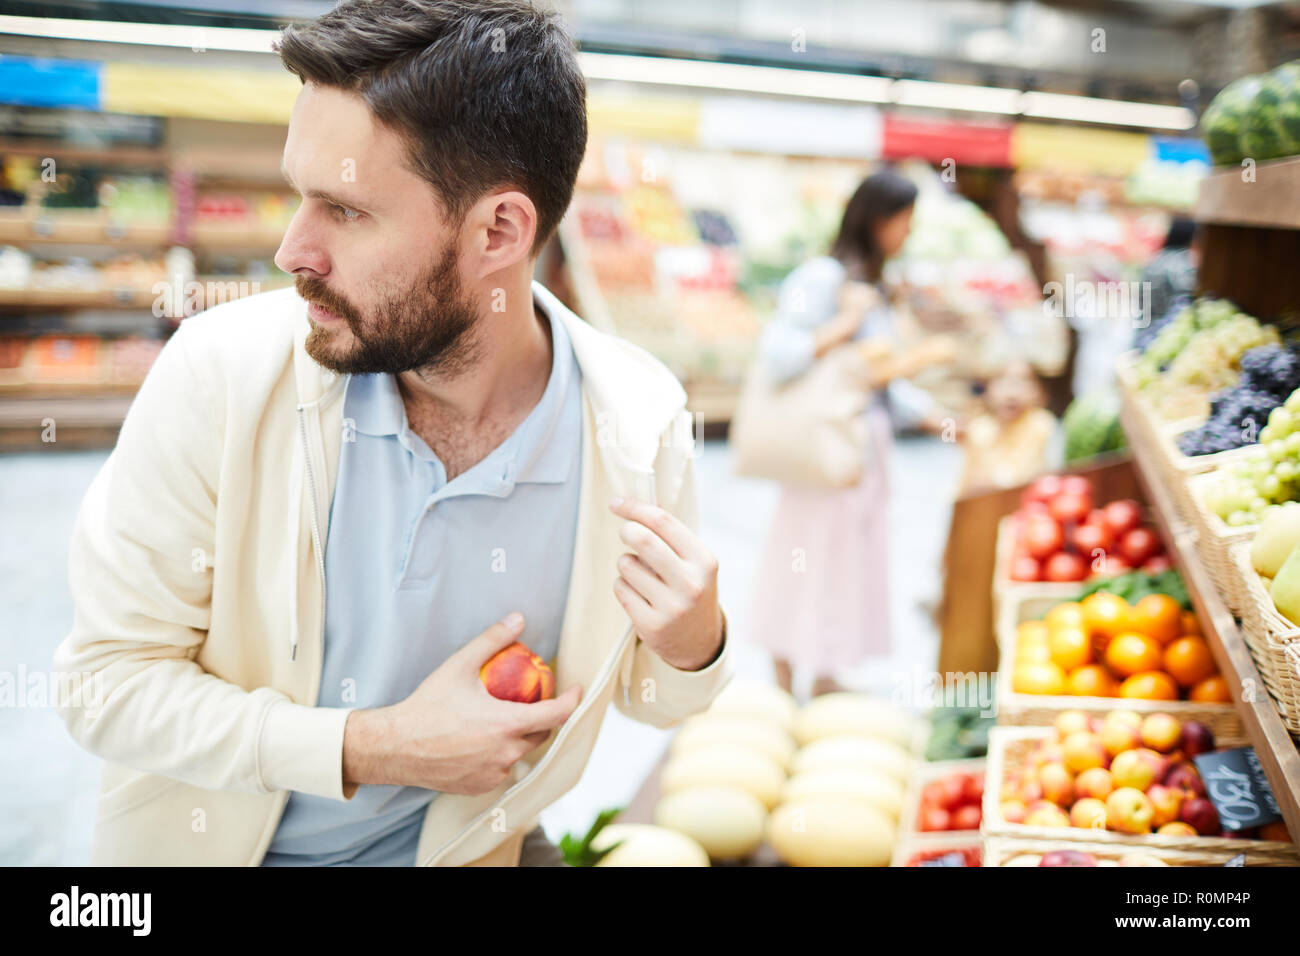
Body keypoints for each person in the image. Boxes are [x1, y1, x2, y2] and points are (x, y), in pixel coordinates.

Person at [52, 0, 729, 868]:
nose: (292, 250)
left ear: (499, 231)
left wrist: (695, 644)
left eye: (345, 210)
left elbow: (654, 701)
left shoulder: (636, 424)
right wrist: (369, 746)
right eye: (301, 197)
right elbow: (103, 685)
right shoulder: (220, 376)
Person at [747, 170, 955, 698]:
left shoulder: (870, 284)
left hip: (858, 451)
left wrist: (933, 416)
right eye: (905, 220)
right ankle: (785, 673)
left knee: (842, 562)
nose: (908, 233)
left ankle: (823, 674)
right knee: (804, 557)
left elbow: (873, 378)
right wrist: (842, 325)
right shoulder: (824, 279)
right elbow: (778, 356)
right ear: (879, 218)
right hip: (823, 448)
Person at [959, 359, 1060, 495]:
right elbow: (964, 491)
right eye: (1002, 381)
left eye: (1022, 382)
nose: (1011, 394)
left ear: (1039, 392)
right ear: (987, 389)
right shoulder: (977, 430)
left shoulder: (1044, 426)